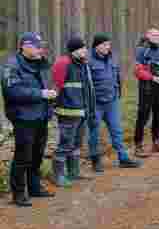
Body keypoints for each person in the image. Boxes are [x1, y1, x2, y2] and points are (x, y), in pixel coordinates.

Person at [1, 33, 56, 206]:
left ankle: (34, 187)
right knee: (23, 155)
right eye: (37, 46)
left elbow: (47, 84)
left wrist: (51, 95)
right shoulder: (11, 65)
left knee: (37, 154)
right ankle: (18, 193)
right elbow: (13, 91)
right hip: (23, 116)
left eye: (41, 46)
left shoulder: (41, 63)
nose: (41, 49)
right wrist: (41, 94)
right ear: (24, 46)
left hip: (41, 115)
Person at [87, 33, 141, 173]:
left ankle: (123, 158)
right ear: (96, 46)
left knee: (117, 131)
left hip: (112, 102)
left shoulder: (112, 59)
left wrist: (117, 95)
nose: (107, 47)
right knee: (94, 132)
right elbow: (87, 84)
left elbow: (117, 78)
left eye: (109, 44)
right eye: (104, 45)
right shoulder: (88, 61)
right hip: (96, 104)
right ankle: (95, 160)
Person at [52, 37, 97, 187]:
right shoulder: (63, 63)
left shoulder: (83, 64)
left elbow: (87, 89)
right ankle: (58, 176)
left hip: (81, 112)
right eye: (82, 48)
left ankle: (74, 172)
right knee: (65, 144)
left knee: (76, 144)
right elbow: (56, 87)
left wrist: (89, 109)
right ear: (74, 50)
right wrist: (53, 108)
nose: (85, 50)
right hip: (67, 112)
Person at [133, 28, 159, 157]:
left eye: (158, 35)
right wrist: (153, 78)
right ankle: (138, 146)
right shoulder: (142, 51)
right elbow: (137, 71)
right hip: (146, 88)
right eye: (154, 35)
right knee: (143, 116)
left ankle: (156, 142)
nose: (156, 37)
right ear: (148, 36)